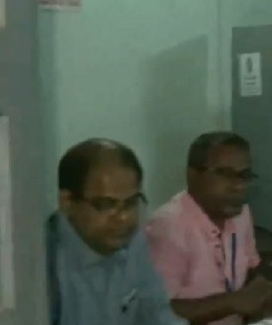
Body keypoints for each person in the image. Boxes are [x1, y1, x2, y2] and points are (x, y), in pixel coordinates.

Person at [46, 138, 185, 325]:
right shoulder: (43, 259)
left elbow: (157, 313)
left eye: (131, 203)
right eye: (106, 205)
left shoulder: (132, 239)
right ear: (67, 202)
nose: (123, 218)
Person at [146, 131, 272, 325]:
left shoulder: (241, 213)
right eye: (225, 174)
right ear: (192, 175)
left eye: (244, 175)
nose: (239, 186)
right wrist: (232, 302)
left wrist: (263, 291)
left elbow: (252, 266)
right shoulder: (168, 227)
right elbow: (154, 312)